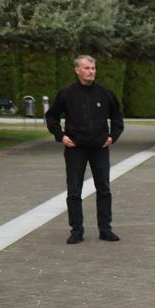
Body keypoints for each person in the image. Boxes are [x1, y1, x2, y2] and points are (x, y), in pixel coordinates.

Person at [46, 55, 125, 243]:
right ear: (77, 70)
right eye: (87, 68)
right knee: (74, 190)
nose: (91, 71)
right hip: (76, 149)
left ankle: (105, 229)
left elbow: (117, 116)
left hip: (99, 147)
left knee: (104, 189)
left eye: (93, 68)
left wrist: (112, 136)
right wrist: (61, 136)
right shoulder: (67, 94)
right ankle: (76, 230)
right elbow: (52, 116)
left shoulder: (105, 93)